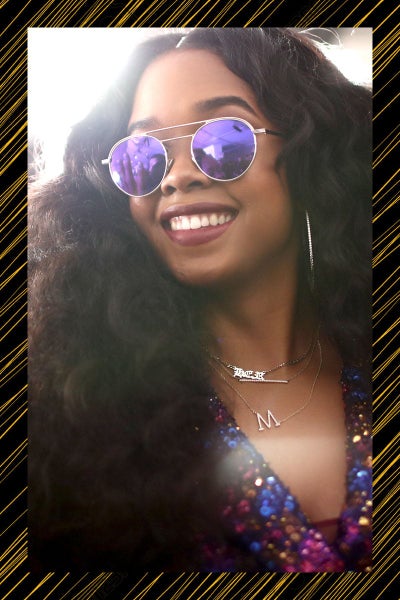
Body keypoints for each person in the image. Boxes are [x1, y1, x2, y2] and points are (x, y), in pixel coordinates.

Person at [28, 28, 372, 572]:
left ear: (309, 150)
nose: (178, 176)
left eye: (225, 139)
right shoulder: (68, 409)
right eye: (144, 155)